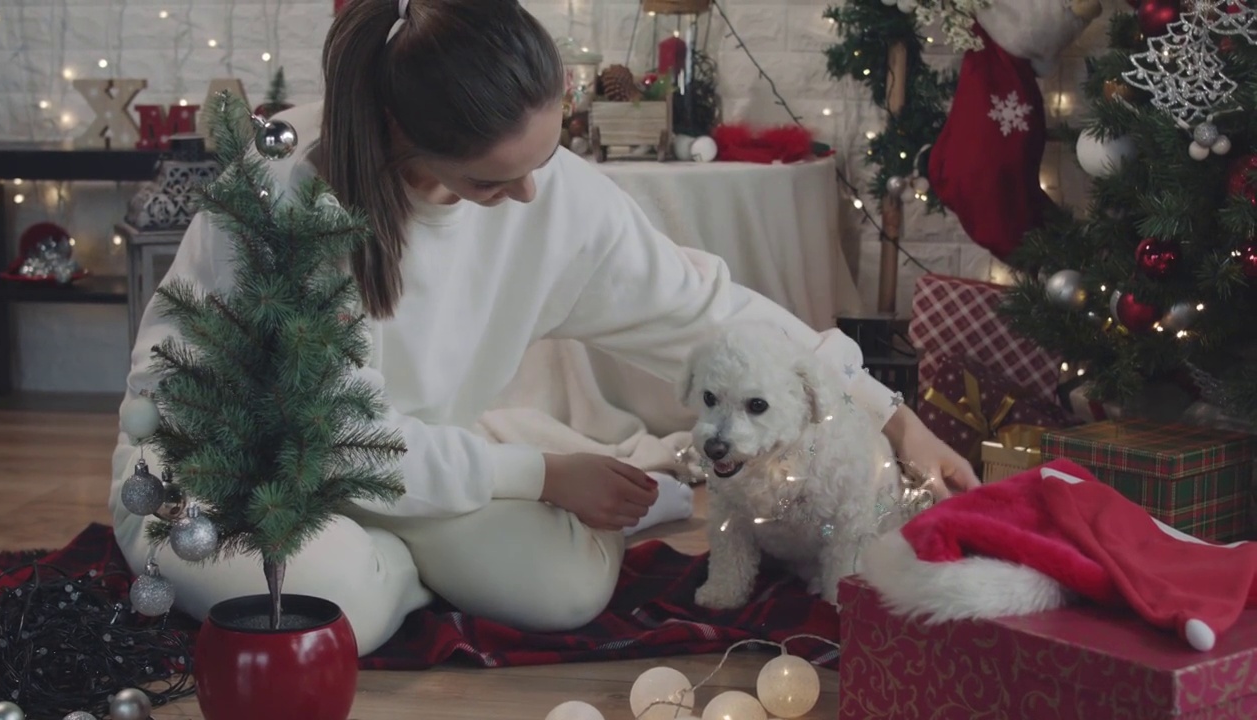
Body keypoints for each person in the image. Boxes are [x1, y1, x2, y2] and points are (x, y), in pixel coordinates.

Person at [111, 0, 979, 656]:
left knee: (565, 590)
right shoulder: (288, 214)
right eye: (494, 182)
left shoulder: (548, 188)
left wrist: (896, 420)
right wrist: (536, 475)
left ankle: (423, 521)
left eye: (546, 153)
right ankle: (407, 542)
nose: (530, 195)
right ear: (397, 136)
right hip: (228, 471)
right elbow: (340, 445)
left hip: (408, 453)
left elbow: (712, 315)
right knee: (336, 609)